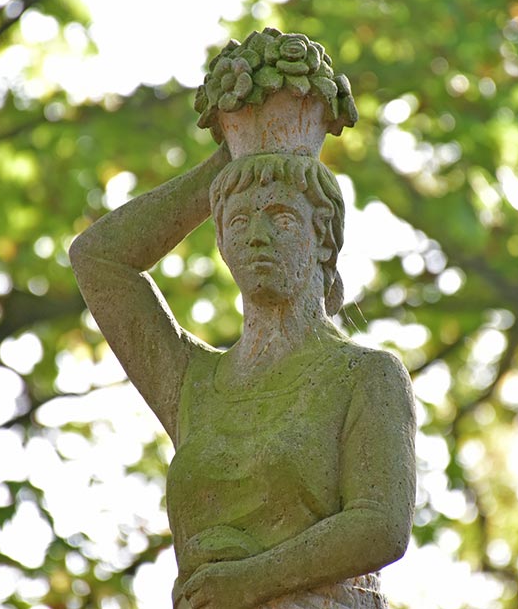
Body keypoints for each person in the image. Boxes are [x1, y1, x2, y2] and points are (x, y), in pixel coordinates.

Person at [70, 33, 415, 609]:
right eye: (239, 220)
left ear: (322, 238)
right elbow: (98, 258)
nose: (256, 235)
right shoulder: (192, 382)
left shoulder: (367, 376)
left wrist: (251, 581)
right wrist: (227, 165)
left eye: (280, 217)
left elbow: (380, 525)